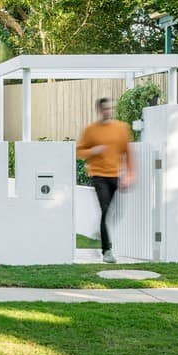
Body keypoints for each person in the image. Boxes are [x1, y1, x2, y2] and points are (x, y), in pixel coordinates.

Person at [76, 98, 135, 264]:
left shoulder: (121, 129)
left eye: (110, 108)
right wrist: (93, 150)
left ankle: (100, 231)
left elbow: (127, 153)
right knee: (105, 207)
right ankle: (107, 250)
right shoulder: (91, 130)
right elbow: (79, 151)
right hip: (98, 175)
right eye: (105, 109)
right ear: (99, 111)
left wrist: (129, 174)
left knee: (114, 213)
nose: (108, 111)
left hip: (115, 175)